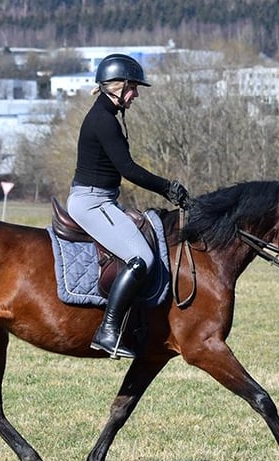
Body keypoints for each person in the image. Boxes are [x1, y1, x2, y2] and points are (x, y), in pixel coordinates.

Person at [67, 53, 190, 359]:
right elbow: (128, 169)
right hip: (91, 203)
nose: (135, 95)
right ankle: (108, 331)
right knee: (140, 258)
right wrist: (168, 188)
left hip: (103, 199)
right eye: (133, 88)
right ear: (116, 87)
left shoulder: (106, 115)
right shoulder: (102, 120)